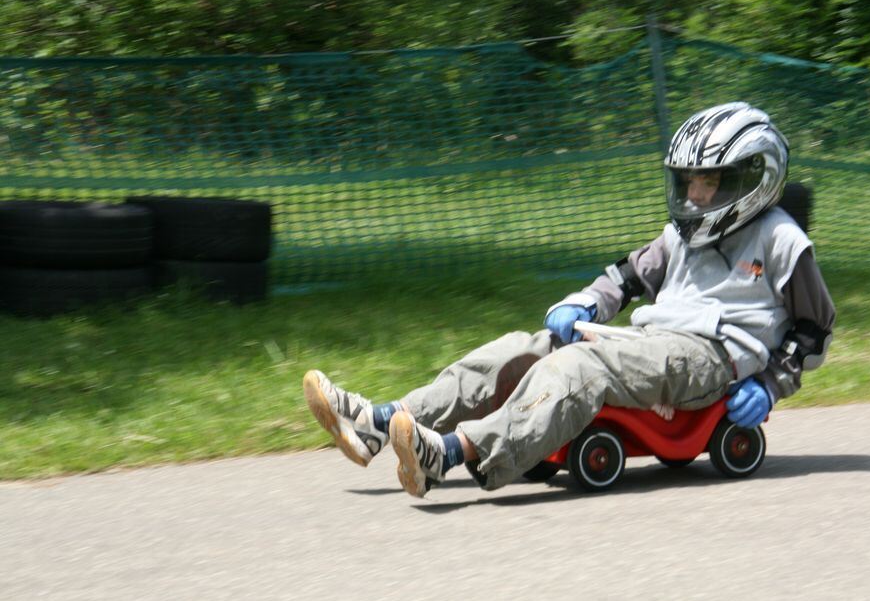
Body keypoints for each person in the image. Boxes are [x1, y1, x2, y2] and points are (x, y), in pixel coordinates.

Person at [303, 102, 835, 498]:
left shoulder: (781, 240)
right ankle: (382, 421)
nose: (694, 196)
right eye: (689, 182)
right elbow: (626, 279)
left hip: (710, 356)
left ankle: (448, 453)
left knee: (580, 367)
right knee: (525, 347)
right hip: (653, 344)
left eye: (708, 183)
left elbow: (814, 329)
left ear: (750, 179)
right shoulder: (681, 235)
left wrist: (769, 384)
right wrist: (582, 304)